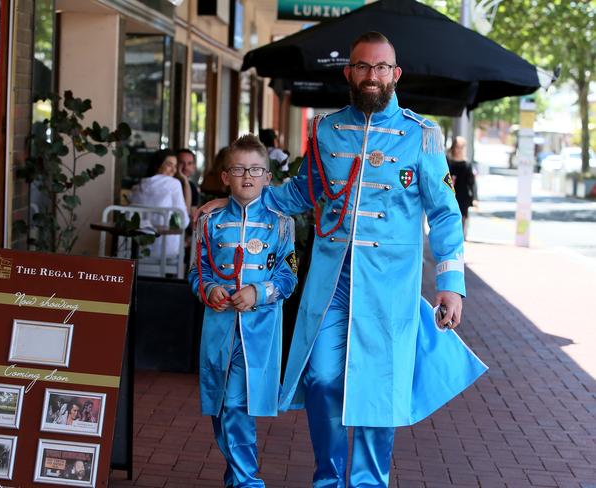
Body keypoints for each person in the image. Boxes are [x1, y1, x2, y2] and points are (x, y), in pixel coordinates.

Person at [199, 32, 487, 487]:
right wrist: (239, 201)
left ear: (395, 74)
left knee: (377, 391)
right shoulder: (327, 129)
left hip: (389, 288)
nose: (371, 76)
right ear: (348, 72)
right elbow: (300, 191)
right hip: (331, 284)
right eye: (362, 67)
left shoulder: (422, 135)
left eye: (380, 68)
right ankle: (328, 479)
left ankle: (368, 483)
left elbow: (445, 216)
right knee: (322, 379)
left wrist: (451, 284)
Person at [188, 134, 298, 487]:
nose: (247, 176)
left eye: (255, 170)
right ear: (225, 177)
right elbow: (196, 271)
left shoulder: (282, 224)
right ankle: (236, 478)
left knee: (236, 406)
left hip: (258, 333)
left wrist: (258, 291)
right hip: (219, 329)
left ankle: (249, 482)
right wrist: (209, 289)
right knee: (221, 409)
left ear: (268, 176)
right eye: (238, 169)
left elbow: (289, 275)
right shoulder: (208, 222)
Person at [130, 149, 190, 258]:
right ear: (157, 165)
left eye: (175, 166)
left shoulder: (139, 185)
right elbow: (184, 222)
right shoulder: (174, 184)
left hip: (137, 249)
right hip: (165, 250)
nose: (173, 170)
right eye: (169, 165)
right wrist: (185, 181)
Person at [447, 136, 476, 238]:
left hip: (463, 197)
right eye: (457, 147)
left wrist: (474, 199)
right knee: (449, 219)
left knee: (461, 220)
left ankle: (460, 239)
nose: (458, 150)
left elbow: (472, 183)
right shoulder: (447, 162)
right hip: (450, 196)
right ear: (453, 147)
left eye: (461, 147)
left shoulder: (467, 164)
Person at [178, 148, 200, 219]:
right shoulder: (169, 183)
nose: (185, 167)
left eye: (189, 163)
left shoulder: (192, 187)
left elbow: (192, 217)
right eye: (181, 163)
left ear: (194, 167)